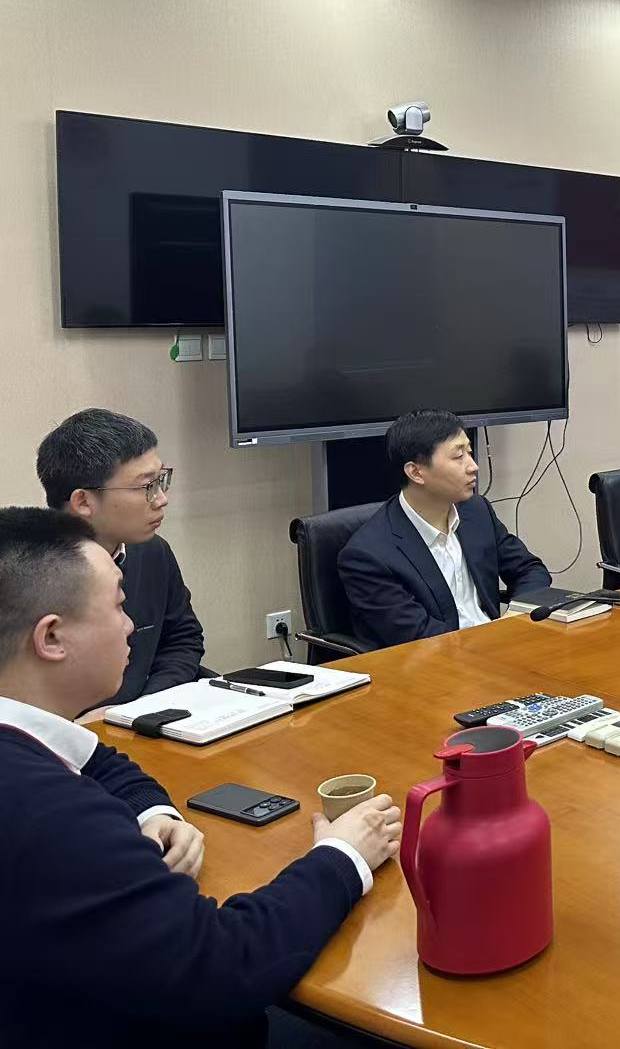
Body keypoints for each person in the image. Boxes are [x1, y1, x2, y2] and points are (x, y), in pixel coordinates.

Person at [0, 506, 401, 1045]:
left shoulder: (29, 735)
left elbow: (101, 761)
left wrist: (155, 812)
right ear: (51, 638)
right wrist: (343, 855)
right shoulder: (49, 815)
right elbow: (223, 967)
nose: (130, 625)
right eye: (118, 605)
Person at [340, 410, 551, 649]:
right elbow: (417, 637)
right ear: (416, 472)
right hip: (437, 661)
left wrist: (516, 617)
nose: (473, 467)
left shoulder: (476, 511)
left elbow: (529, 570)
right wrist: (493, 640)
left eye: (469, 453)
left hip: (498, 645)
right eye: (458, 456)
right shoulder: (368, 556)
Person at [36, 408, 205, 705]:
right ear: (83, 501)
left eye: (161, 480)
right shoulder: (25, 575)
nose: (162, 499)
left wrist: (146, 707)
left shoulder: (153, 552)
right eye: (147, 486)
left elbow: (181, 640)